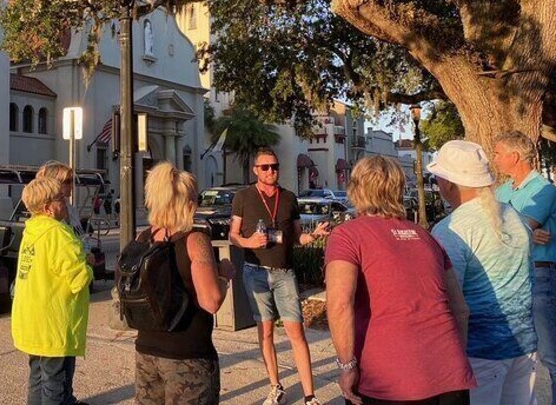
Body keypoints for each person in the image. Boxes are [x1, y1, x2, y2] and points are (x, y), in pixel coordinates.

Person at [325, 156, 475, 405]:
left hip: (391, 379)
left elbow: (340, 304)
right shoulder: (427, 237)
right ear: (398, 190)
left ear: (355, 189)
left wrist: (347, 365)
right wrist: (454, 358)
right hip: (450, 374)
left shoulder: (347, 236)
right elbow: (460, 309)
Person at [430, 140, 537, 405]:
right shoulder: (513, 215)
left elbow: (447, 303)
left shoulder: (451, 230)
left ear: (448, 184)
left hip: (479, 353)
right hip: (524, 345)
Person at [228, 148, 330, 405]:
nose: (271, 171)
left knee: (297, 333)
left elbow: (296, 238)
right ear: (255, 170)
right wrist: (249, 241)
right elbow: (233, 235)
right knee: (266, 333)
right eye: (265, 167)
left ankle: (310, 396)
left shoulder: (288, 198)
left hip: (285, 274)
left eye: (274, 166)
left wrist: (314, 235)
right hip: (255, 273)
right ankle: (275, 386)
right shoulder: (243, 196)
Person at [134, 161, 235, 404]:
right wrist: (224, 275)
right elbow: (211, 301)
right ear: (188, 203)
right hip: (188, 354)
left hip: (146, 351)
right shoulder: (194, 241)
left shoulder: (143, 238)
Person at [11, 176, 94, 405]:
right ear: (48, 208)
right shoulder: (58, 233)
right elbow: (78, 279)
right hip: (54, 325)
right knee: (56, 383)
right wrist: (88, 264)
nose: (66, 200)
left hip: (32, 322)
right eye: (61, 198)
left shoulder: (32, 231)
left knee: (37, 378)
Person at [493, 130, 556, 403]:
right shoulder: (502, 190)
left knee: (551, 354)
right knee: (517, 354)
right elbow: (493, 226)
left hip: (541, 275)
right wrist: (525, 231)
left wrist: (519, 229)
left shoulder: (545, 189)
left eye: (497, 153)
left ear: (514, 156)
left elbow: (516, 229)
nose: (493, 159)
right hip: (511, 277)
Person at [36, 161, 88, 238]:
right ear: (53, 184)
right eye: (67, 181)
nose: (71, 185)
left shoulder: (71, 209)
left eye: (72, 181)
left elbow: (81, 237)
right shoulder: (46, 213)